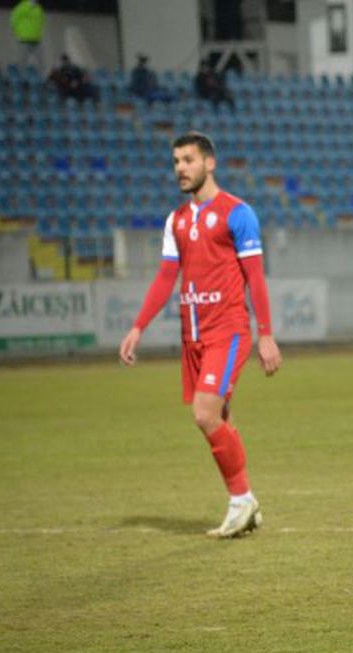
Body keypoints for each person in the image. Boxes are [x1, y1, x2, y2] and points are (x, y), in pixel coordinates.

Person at [119, 131, 282, 537]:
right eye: (176, 161)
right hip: (191, 334)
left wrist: (265, 334)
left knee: (205, 414)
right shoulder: (176, 220)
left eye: (188, 160)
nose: (180, 168)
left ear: (209, 163)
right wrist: (138, 327)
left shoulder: (237, 213)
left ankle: (241, 499)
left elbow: (255, 277)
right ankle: (248, 505)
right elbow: (165, 277)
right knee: (221, 416)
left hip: (226, 330)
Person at [10, 0, 44, 70]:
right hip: (24, 38)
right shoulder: (22, 6)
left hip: (36, 39)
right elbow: (13, 19)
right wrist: (17, 32)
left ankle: (41, 78)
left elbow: (41, 20)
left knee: (42, 60)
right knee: (22, 60)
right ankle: (19, 78)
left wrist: (39, 32)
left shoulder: (38, 8)